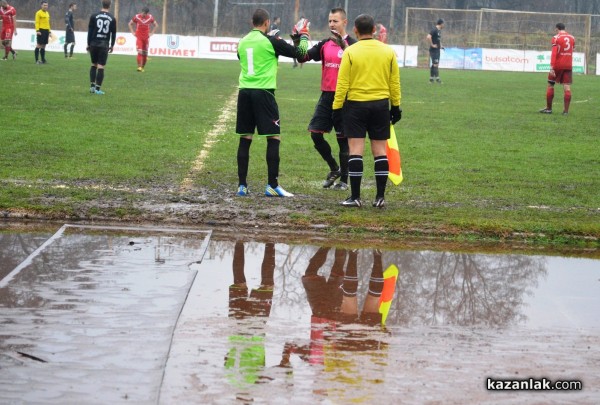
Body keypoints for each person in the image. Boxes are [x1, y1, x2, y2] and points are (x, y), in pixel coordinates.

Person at [235, 8, 309, 198]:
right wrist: (303, 36)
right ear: (267, 23)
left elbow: (241, 57)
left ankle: (242, 186)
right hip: (264, 93)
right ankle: (272, 185)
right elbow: (300, 53)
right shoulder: (271, 41)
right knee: (273, 137)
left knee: (245, 138)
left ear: (253, 23)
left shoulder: (242, 42)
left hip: (244, 93)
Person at [332, 14, 401, 208]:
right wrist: (395, 106)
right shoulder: (387, 51)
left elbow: (342, 83)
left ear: (355, 30)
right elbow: (394, 82)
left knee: (356, 151)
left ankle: (355, 197)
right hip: (380, 105)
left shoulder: (350, 52)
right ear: (374, 31)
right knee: (380, 151)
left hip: (355, 106)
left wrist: (336, 108)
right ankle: (380, 198)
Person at [297, 8, 356, 190]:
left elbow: (358, 65)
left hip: (345, 99)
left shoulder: (354, 45)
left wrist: (344, 47)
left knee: (343, 140)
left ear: (344, 22)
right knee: (315, 134)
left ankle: (344, 181)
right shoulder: (325, 44)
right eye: (330, 21)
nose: (331, 24)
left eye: (335, 21)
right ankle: (334, 168)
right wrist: (299, 39)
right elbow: (302, 57)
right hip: (326, 96)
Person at [539, 23, 575, 115]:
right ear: (565, 28)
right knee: (567, 87)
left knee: (550, 84)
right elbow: (572, 50)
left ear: (556, 29)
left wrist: (552, 66)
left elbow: (554, 53)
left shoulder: (556, 38)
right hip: (568, 65)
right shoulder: (572, 38)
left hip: (557, 65)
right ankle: (566, 111)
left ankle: (549, 109)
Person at [87, 0, 116, 95]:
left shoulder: (94, 16)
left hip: (94, 43)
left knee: (93, 64)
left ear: (102, 4)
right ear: (110, 5)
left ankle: (92, 87)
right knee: (101, 66)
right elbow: (113, 33)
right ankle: (98, 89)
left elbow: (90, 31)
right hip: (104, 44)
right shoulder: (112, 18)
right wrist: (112, 45)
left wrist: (88, 44)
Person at [128, 6, 158, 72]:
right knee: (140, 51)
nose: (142, 14)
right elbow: (130, 24)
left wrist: (152, 33)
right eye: (142, 13)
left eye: (144, 13)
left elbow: (156, 25)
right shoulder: (137, 17)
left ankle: (142, 67)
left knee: (145, 53)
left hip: (146, 38)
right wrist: (133, 32)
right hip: (139, 37)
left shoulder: (150, 17)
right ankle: (139, 67)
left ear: (147, 13)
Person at [427, 18, 444, 84]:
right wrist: (432, 45)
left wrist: (441, 46)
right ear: (441, 24)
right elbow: (428, 37)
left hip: (437, 50)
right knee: (435, 64)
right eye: (443, 24)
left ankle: (431, 79)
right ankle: (437, 79)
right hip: (434, 50)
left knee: (434, 64)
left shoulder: (439, 31)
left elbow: (438, 40)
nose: (443, 25)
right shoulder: (434, 30)